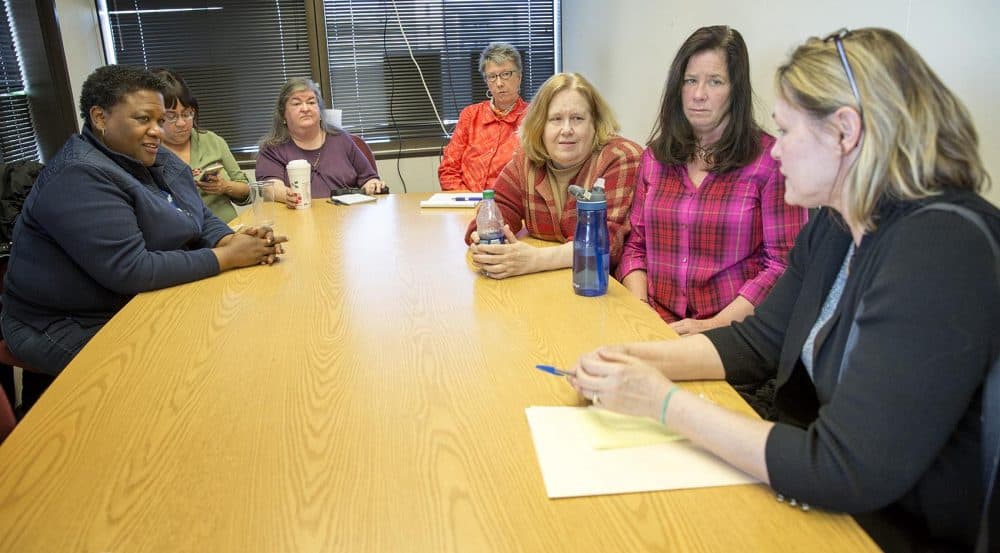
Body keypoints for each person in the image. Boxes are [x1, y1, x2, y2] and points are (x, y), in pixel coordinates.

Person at [568, 28, 998, 552]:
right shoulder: (837, 223)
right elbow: (758, 342)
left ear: (845, 132)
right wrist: (633, 357)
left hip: (886, 528)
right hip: (817, 483)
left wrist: (662, 403)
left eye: (788, 131)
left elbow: (844, 467)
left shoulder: (942, 247)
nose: (776, 153)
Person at [0, 65, 287, 410]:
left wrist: (228, 240)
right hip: (63, 322)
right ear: (100, 117)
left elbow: (196, 213)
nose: (157, 131)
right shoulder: (79, 174)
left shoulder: (150, 154)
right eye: (143, 119)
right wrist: (228, 257)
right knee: (164, 381)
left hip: (128, 303)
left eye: (160, 120)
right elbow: (131, 269)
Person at [619, 26, 807, 336]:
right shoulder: (654, 157)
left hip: (731, 331)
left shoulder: (771, 161)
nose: (698, 94)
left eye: (715, 82)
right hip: (654, 323)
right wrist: (641, 312)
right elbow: (636, 248)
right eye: (690, 80)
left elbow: (782, 265)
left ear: (736, 90)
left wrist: (711, 326)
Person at [464, 72, 642, 279]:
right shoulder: (526, 161)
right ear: (540, 125)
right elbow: (496, 210)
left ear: (595, 123)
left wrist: (534, 259)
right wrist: (484, 242)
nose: (567, 130)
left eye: (577, 118)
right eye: (556, 119)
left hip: (605, 285)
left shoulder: (621, 158)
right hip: (555, 281)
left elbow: (604, 243)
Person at [256, 78, 386, 207]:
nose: (305, 108)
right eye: (296, 104)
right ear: (283, 114)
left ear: (320, 110)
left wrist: (373, 185)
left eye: (311, 102)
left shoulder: (341, 139)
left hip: (345, 215)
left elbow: (369, 178)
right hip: (296, 215)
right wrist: (287, 196)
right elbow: (269, 188)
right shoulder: (272, 149)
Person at [151, 68, 252, 222]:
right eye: (171, 116)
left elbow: (247, 190)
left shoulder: (211, 140)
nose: (181, 123)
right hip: (184, 232)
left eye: (187, 113)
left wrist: (225, 186)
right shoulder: (150, 152)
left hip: (231, 227)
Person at [438, 42, 528, 192]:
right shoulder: (470, 115)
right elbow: (448, 170)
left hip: (511, 203)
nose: (499, 83)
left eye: (506, 74)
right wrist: (469, 199)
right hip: (467, 201)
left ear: (519, 77)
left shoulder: (533, 117)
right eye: (492, 76)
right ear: (486, 81)